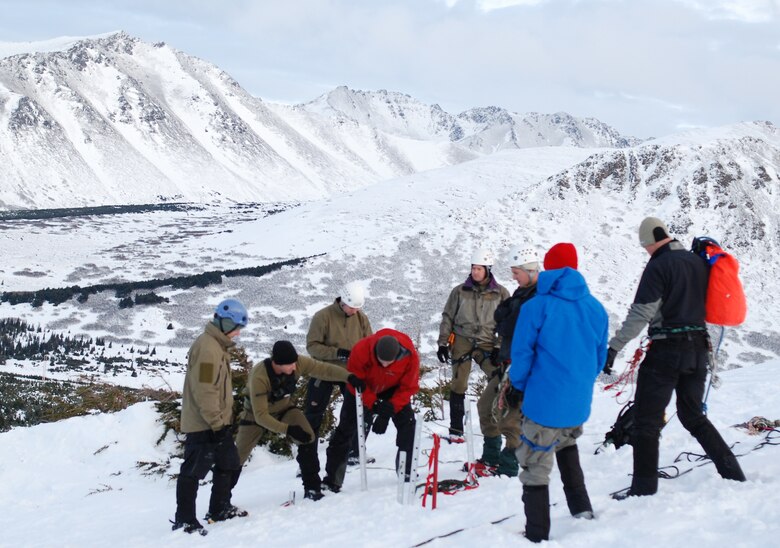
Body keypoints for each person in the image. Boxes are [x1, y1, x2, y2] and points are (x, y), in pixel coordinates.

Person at [606, 217, 746, 499]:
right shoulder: (697, 262)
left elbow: (641, 313)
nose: (646, 250)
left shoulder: (659, 265)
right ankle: (733, 473)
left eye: (645, 246)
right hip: (698, 349)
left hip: (666, 351)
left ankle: (643, 491)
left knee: (647, 421)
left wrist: (614, 347)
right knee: (692, 415)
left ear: (650, 240)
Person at [510, 243, 608, 543]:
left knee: (535, 463)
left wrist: (517, 386)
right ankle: (582, 510)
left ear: (547, 269)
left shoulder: (535, 307)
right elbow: (599, 358)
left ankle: (536, 534)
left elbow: (522, 355)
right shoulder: (595, 307)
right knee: (567, 446)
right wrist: (577, 384)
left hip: (543, 402)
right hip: (577, 402)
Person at [234, 340, 365, 501]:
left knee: (307, 437)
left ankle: (312, 488)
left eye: (295, 363)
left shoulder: (298, 362)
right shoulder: (260, 376)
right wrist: (288, 430)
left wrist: (348, 377)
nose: (295, 368)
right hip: (254, 415)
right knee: (235, 459)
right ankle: (219, 505)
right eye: (290, 365)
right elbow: (261, 416)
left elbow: (322, 369)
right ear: (278, 363)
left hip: (284, 408)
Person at [172, 298, 249, 536]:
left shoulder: (217, 346)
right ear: (225, 323)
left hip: (216, 421)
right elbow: (204, 389)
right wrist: (216, 424)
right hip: (204, 423)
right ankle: (184, 519)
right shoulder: (207, 348)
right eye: (236, 327)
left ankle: (219, 508)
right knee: (193, 470)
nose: (237, 333)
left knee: (229, 463)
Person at [322, 329, 420, 492]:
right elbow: (354, 383)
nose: (385, 365)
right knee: (345, 430)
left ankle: (406, 472)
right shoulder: (361, 350)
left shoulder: (410, 356)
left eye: (389, 362)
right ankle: (332, 480)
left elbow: (409, 387)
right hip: (364, 389)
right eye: (381, 361)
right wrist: (373, 404)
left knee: (408, 426)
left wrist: (388, 411)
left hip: (393, 389)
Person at [474, 246, 541, 477]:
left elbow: (510, 323)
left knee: (511, 419)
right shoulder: (522, 292)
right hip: (507, 362)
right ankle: (491, 456)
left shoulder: (538, 297)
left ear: (530, 270)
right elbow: (502, 320)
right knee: (485, 407)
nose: (513, 277)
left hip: (523, 367)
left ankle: (509, 465)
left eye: (516, 272)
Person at [437, 249, 510, 440]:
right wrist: (443, 343)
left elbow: (506, 323)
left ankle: (497, 420)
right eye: (473, 268)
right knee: (459, 383)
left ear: (487, 269)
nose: (475, 272)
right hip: (462, 339)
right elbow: (448, 316)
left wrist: (498, 347)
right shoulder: (460, 291)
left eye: (479, 268)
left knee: (498, 377)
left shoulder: (501, 293)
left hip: (487, 342)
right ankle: (455, 430)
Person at [304, 282, 373, 467]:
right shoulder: (323, 317)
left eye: (358, 308)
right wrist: (337, 353)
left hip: (350, 373)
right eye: (352, 307)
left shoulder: (361, 318)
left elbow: (369, 343)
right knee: (312, 418)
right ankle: (307, 462)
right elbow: (312, 346)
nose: (354, 311)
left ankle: (354, 452)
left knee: (360, 412)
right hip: (324, 371)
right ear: (343, 301)